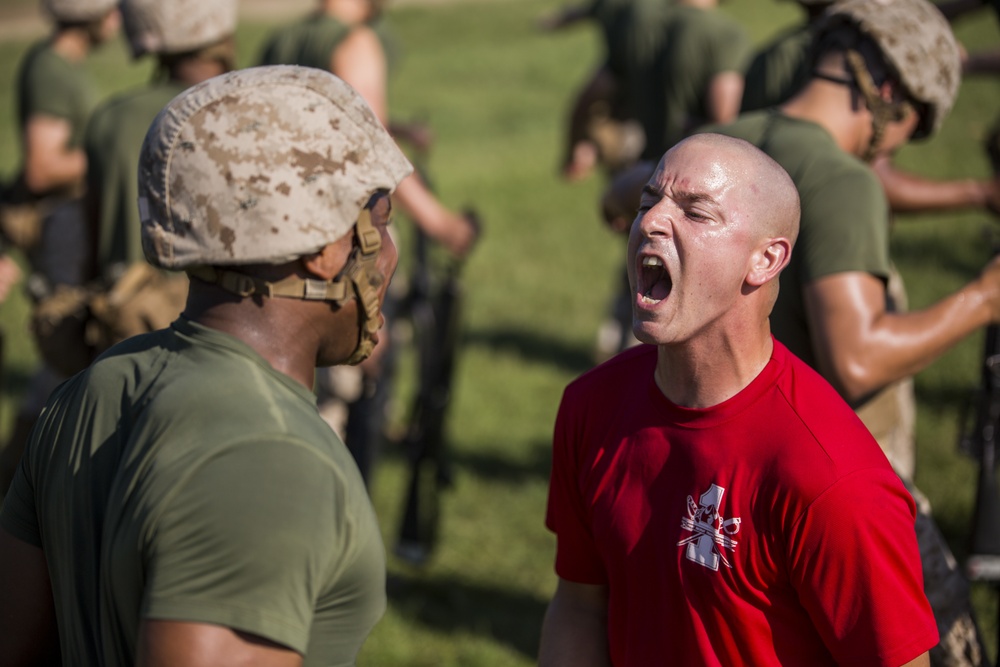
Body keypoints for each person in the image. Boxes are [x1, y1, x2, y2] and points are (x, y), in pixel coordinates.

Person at [0, 64, 412, 666]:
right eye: (380, 221)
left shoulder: (89, 391)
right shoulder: (276, 460)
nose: (391, 254)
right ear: (326, 250)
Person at [540, 132, 937, 666]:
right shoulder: (592, 406)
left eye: (696, 212)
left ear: (766, 260)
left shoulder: (833, 480)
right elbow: (580, 604)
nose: (652, 222)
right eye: (647, 201)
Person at [704, 0, 999, 663]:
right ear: (889, 91)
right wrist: (982, 298)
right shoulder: (842, 179)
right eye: (912, 130)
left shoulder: (724, 143)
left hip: (718, 486)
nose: (895, 151)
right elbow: (857, 360)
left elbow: (625, 193)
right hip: (829, 499)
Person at [259, 0, 478, 482]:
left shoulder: (285, 40)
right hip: (341, 238)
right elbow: (372, 146)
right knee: (340, 390)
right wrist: (440, 222)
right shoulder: (354, 42)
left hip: (275, 235)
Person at [0, 0, 120, 498]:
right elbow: (43, 166)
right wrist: (106, 154)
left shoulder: (57, 64)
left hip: (67, 227)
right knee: (61, 360)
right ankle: (16, 492)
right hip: (59, 230)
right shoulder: (51, 68)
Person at [740, 0, 1000, 215]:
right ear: (889, 88)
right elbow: (875, 175)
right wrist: (981, 193)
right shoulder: (847, 183)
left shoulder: (779, 52)